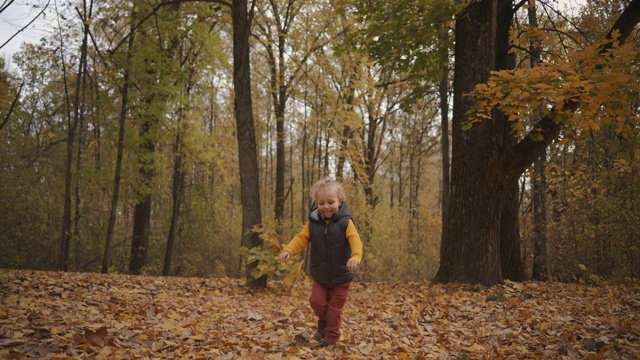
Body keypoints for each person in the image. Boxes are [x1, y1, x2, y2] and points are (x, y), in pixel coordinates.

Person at [279, 177, 363, 348]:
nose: (326, 206)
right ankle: (323, 322)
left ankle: (331, 337)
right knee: (316, 301)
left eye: (330, 202)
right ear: (316, 203)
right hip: (320, 274)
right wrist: (289, 250)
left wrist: (355, 257)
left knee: (334, 309)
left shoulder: (346, 222)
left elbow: (356, 241)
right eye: (321, 202)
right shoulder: (313, 223)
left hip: (341, 276)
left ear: (340, 201)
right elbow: (301, 239)